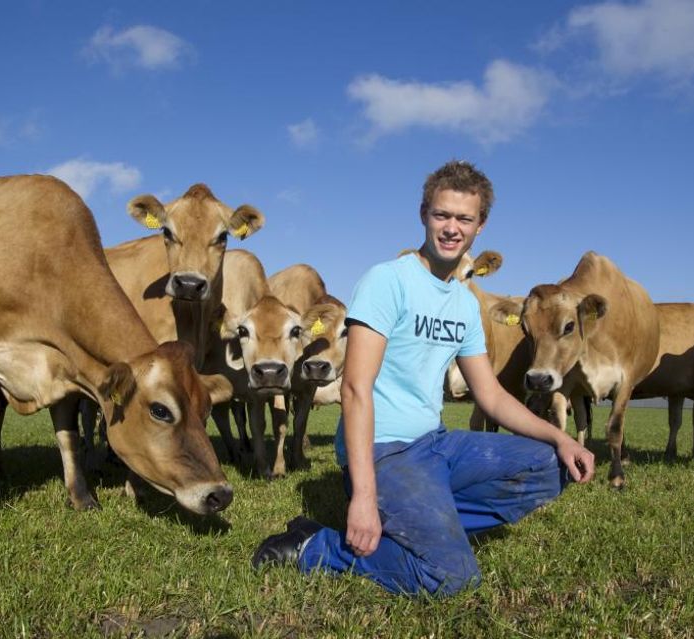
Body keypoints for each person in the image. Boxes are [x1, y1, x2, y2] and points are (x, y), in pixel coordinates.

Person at [251, 160, 595, 595]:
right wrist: (363, 496)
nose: (452, 228)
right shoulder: (387, 281)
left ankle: (425, 522)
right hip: (384, 451)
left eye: (464, 219)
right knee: (451, 577)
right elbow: (355, 389)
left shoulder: (464, 305)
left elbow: (489, 395)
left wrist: (562, 439)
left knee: (551, 465)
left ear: (480, 226)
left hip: (434, 444)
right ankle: (316, 545)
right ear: (424, 215)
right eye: (442, 215)